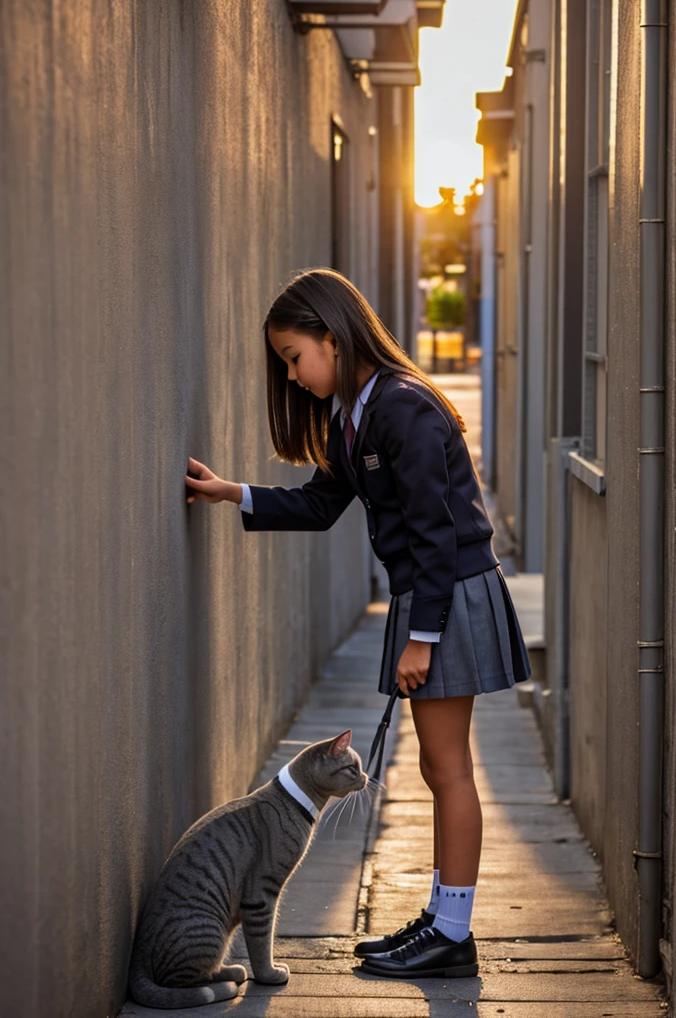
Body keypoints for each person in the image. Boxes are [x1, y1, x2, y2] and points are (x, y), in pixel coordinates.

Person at [185, 267, 532, 979]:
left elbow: (438, 534)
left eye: (294, 357)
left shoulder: (401, 407)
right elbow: (319, 506)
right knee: (441, 769)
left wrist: (422, 637)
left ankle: (453, 935)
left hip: (450, 593)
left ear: (332, 337)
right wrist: (233, 493)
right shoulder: (355, 416)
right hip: (432, 595)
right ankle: (442, 921)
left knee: (447, 769)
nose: (291, 375)